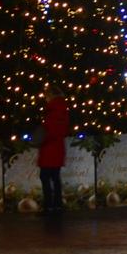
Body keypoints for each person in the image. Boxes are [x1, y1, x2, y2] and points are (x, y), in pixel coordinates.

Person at [37, 84, 70, 213]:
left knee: (45, 177)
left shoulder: (52, 111)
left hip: (49, 149)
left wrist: (40, 137)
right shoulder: (63, 110)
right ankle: (57, 204)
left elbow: (49, 131)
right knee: (55, 178)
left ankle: (48, 205)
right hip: (58, 148)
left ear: (50, 96)